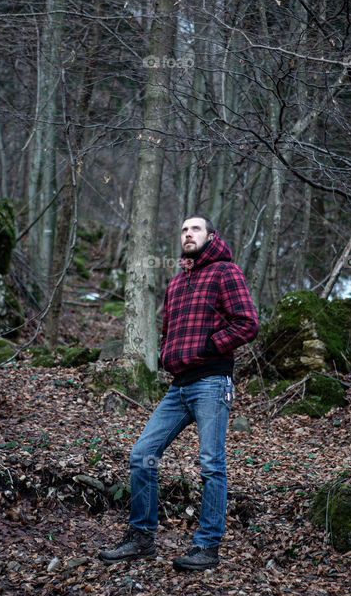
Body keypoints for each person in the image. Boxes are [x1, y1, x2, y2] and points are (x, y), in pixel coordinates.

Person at [99, 215, 258, 571]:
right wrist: (167, 355)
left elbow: (247, 322)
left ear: (211, 235)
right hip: (179, 386)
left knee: (211, 465)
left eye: (195, 229)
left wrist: (209, 345)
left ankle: (207, 548)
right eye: (184, 229)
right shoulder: (176, 282)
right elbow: (168, 331)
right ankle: (141, 539)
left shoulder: (225, 272)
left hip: (212, 383)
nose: (188, 234)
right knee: (142, 454)